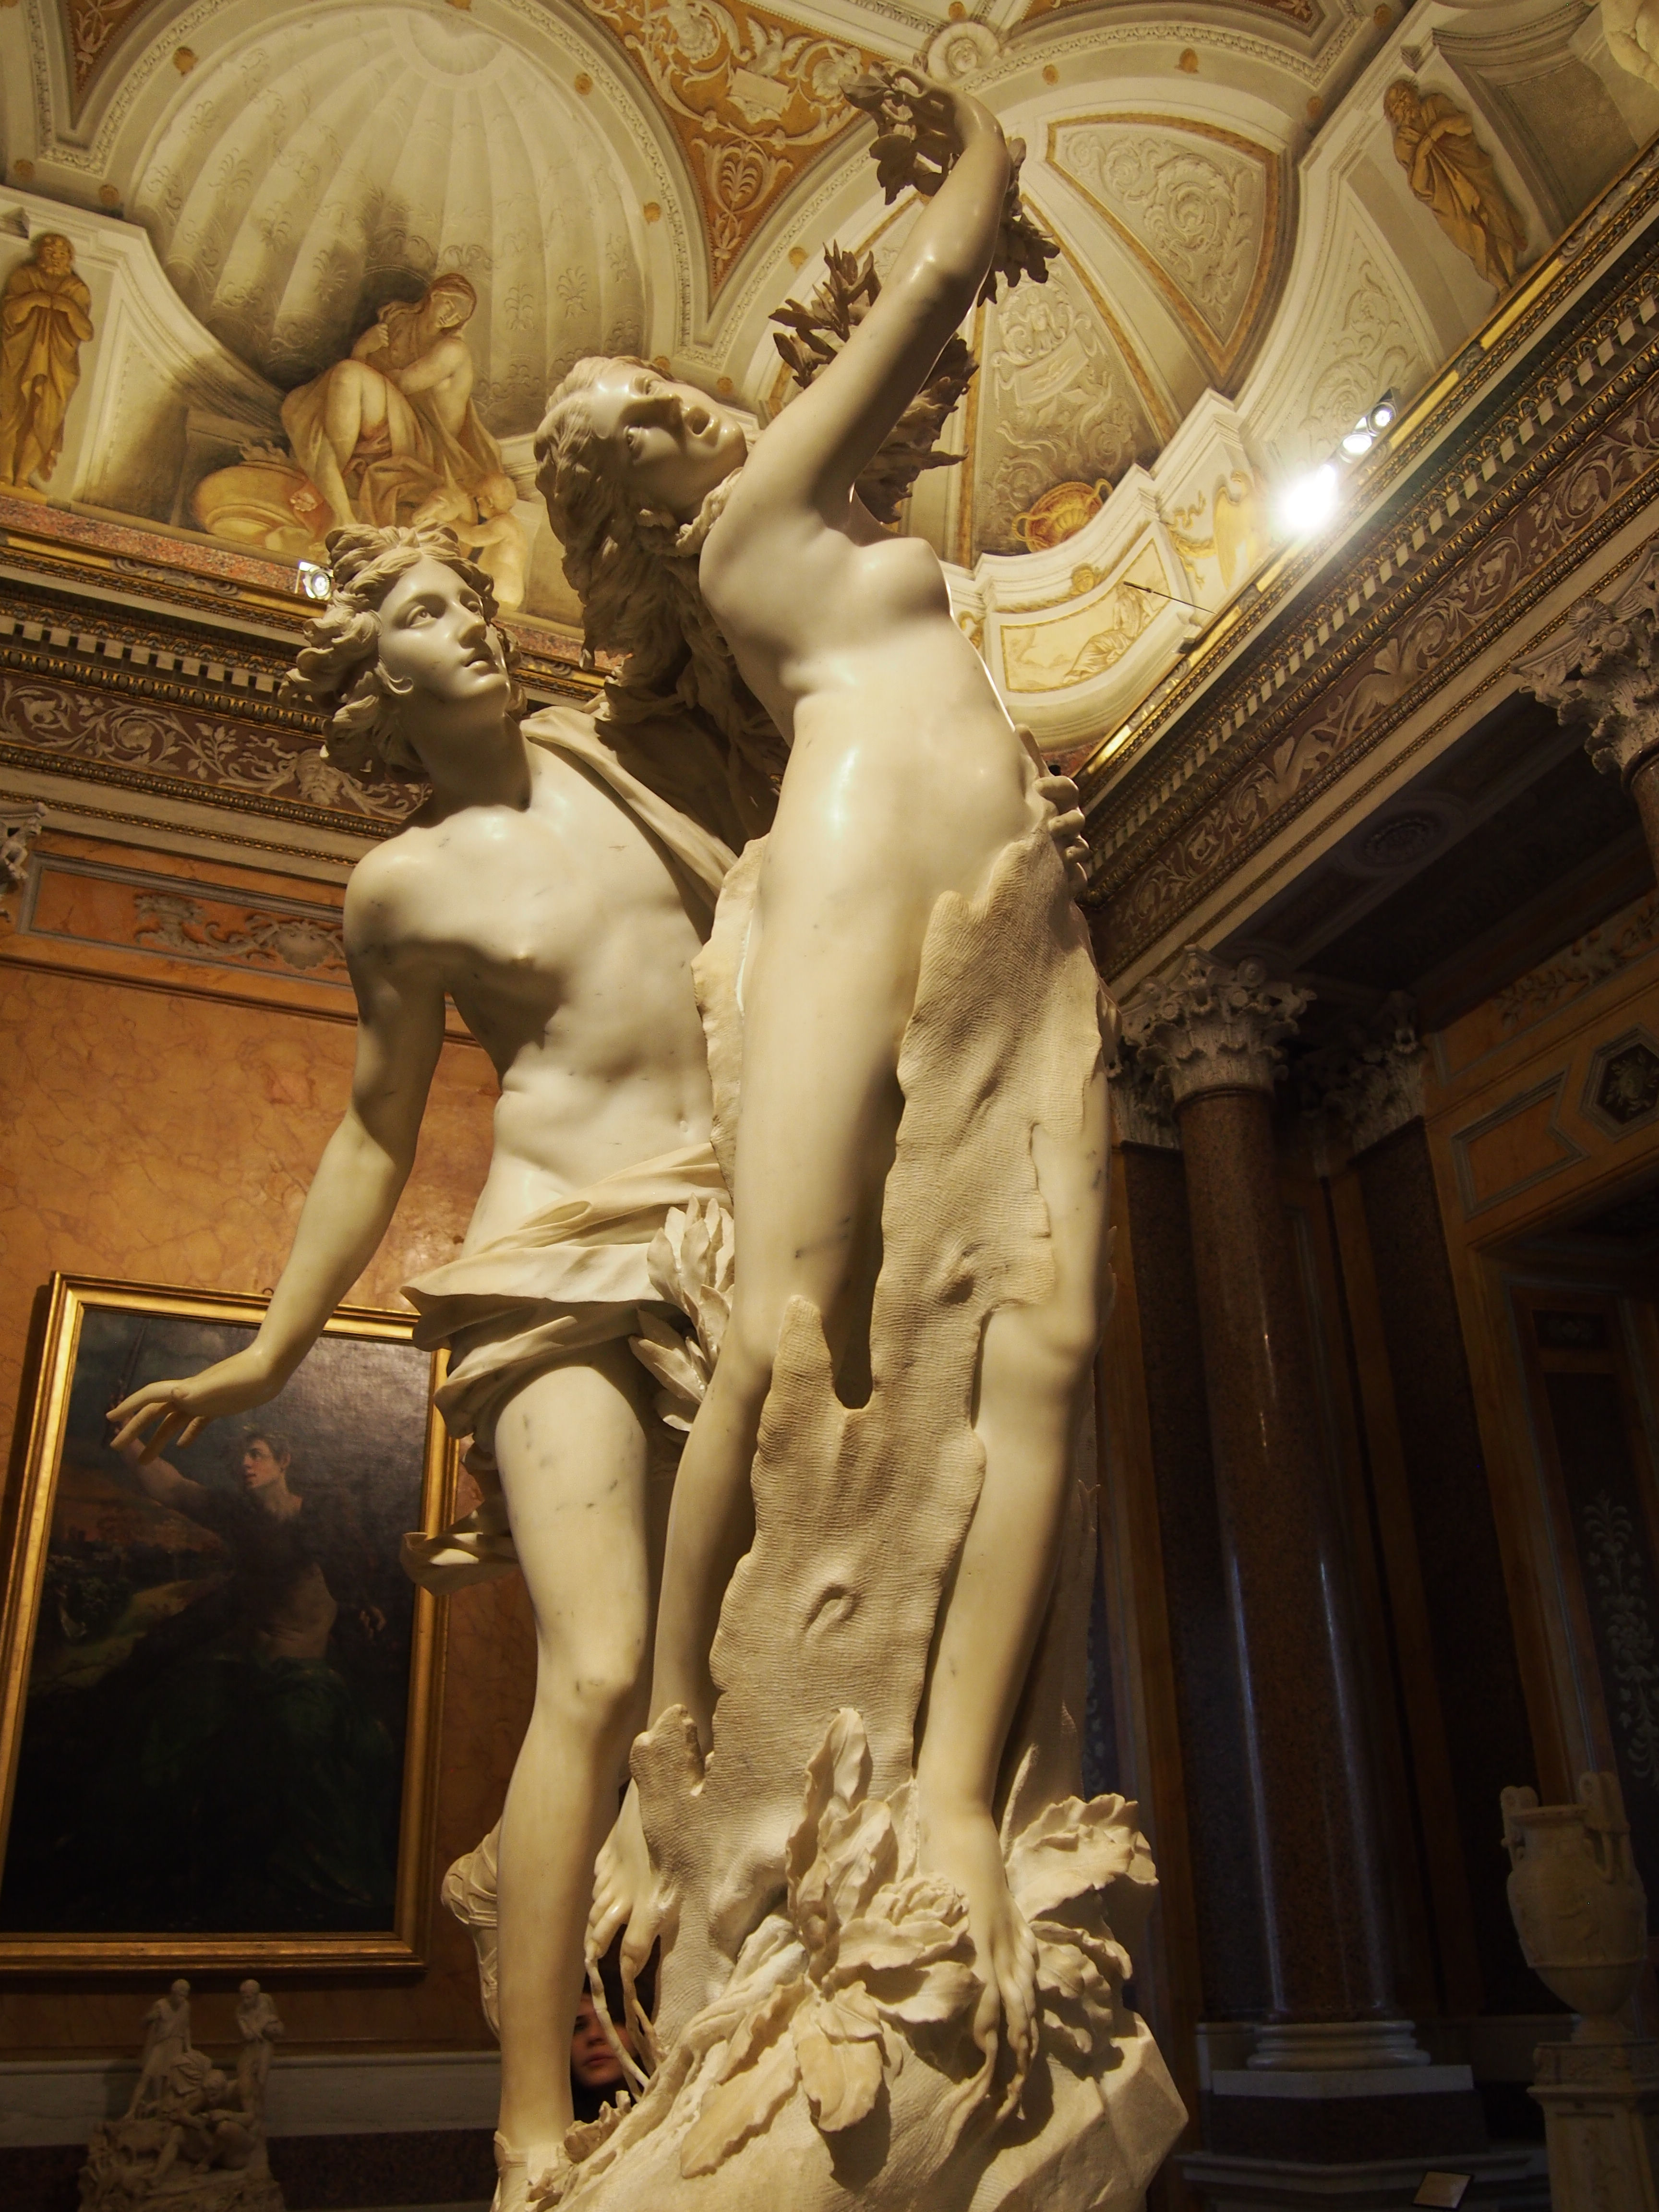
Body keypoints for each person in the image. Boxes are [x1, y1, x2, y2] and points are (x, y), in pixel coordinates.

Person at [537, 72, 1106, 2080]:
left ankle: (954, 1793)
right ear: (648, 497)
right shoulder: (752, 531)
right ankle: (674, 1750)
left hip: (1012, 886)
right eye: (651, 414)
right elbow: (938, 279)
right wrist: (976, 148)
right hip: (860, 859)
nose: (692, 405)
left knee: (1047, 1334)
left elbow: (911, 344)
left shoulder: (817, 518)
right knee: (786, 1330)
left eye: (676, 392)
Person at [111, 521, 736, 2210]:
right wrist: (270, 1349)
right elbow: (375, 1128)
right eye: (420, 611)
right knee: (597, 1668)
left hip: (725, 1241)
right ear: (370, 677)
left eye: (472, 597)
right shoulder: (402, 886)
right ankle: (529, 2118)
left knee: (712, 1697)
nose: (471, 623)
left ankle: (691, 2042)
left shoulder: (628, 757)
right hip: (546, 1258)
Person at [281, 275, 505, 531]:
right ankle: (338, 503)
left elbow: (400, 383)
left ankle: (329, 485)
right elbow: (367, 383)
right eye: (450, 305)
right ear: (435, 295)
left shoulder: (453, 350)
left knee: (348, 374)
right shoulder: (401, 324)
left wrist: (364, 349)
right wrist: (365, 349)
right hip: (390, 421)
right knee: (303, 401)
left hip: (425, 444)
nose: (452, 316)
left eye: (460, 315)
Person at [0, 232, 94, 498]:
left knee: (47, 421)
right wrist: (33, 299)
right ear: (40, 254)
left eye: (62, 254)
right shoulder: (25, 277)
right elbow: (9, 315)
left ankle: (22, 477)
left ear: (70, 258)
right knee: (10, 413)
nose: (55, 258)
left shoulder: (77, 290)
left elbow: (86, 333)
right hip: (19, 358)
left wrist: (68, 308)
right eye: (50, 252)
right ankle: (4, 473)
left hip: (59, 367)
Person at [127, 1980, 192, 2116]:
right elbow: (144, 2023)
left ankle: (161, 2112)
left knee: (169, 2083)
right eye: (180, 1995)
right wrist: (150, 2017)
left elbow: (186, 2028)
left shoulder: (186, 2007)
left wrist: (189, 2048)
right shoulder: (160, 2005)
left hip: (176, 2045)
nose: (183, 1999)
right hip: (161, 2046)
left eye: (185, 1995)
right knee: (146, 2077)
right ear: (173, 1993)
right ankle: (131, 2111)